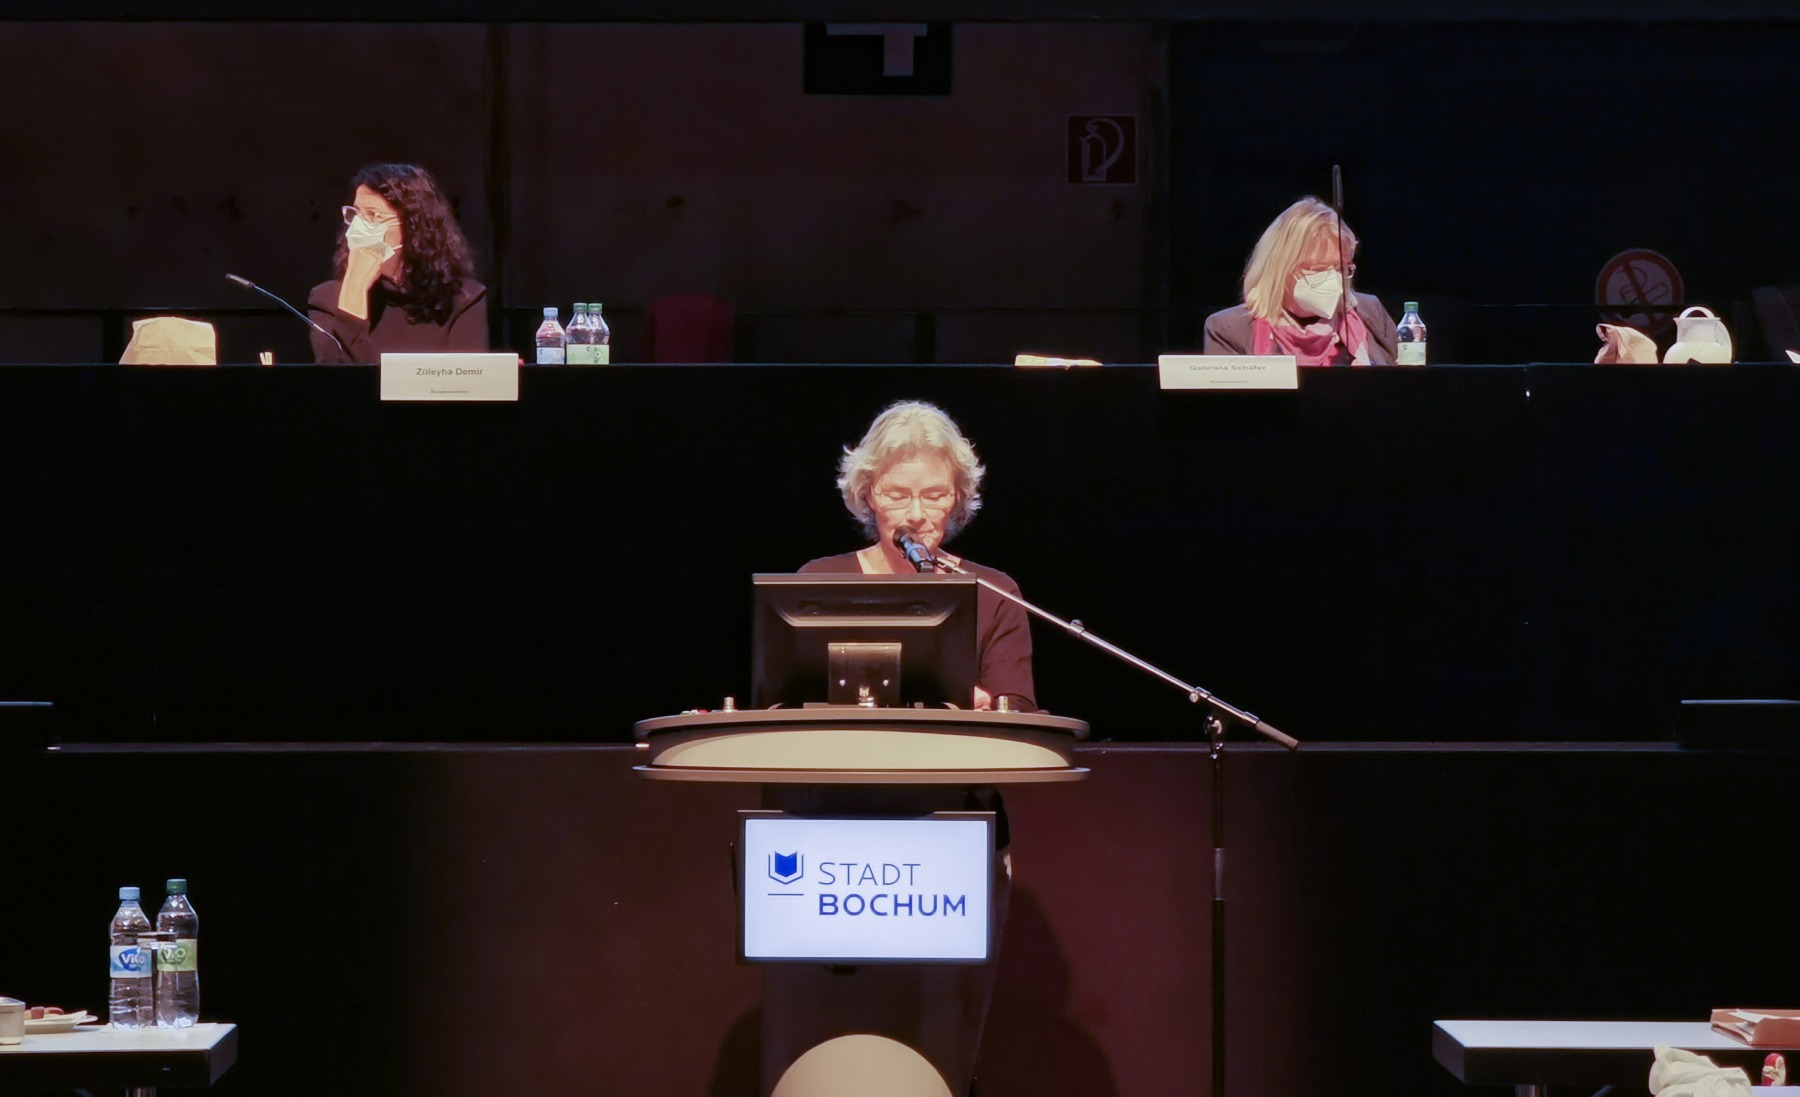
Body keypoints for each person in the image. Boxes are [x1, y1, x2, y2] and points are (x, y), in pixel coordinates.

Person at [799, 400, 1035, 711]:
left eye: (935, 496)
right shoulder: (819, 581)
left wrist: (986, 702)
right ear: (869, 496)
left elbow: (1017, 708)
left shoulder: (995, 593)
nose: (916, 514)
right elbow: (788, 700)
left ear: (957, 498)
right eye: (897, 495)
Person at [306, 163, 487, 363]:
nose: (358, 226)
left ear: (412, 226)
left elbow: (467, 378)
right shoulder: (325, 299)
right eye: (356, 214)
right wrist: (354, 290)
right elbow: (334, 377)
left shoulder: (462, 298)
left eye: (373, 215)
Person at [1203, 195, 1399, 365]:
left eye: (1341, 268)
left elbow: (1401, 386)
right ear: (1280, 268)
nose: (1333, 279)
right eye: (1318, 269)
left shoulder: (1370, 312)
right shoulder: (1228, 328)